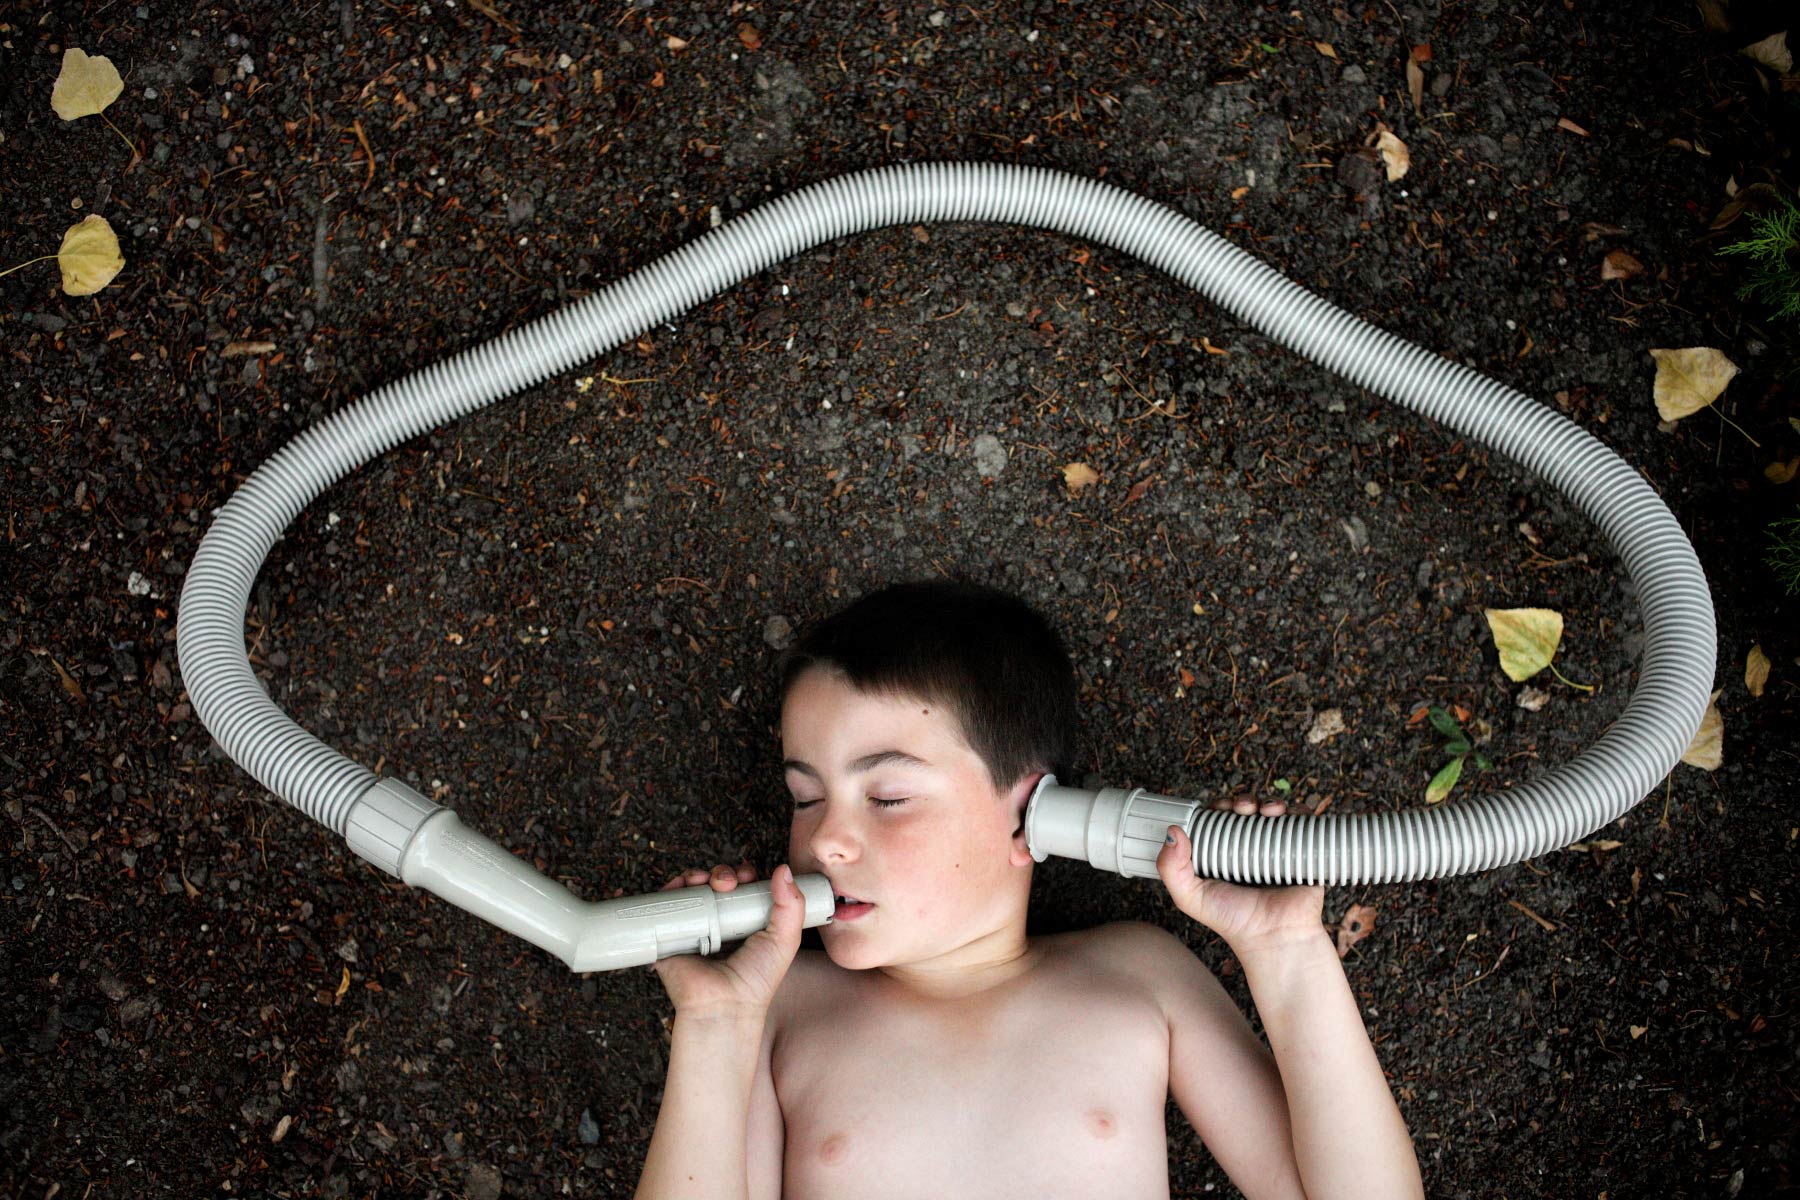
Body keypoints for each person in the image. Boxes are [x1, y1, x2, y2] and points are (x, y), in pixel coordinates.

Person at [634, 577, 1424, 1200]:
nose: (826, 839)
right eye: (805, 798)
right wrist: (713, 1026)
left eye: (889, 797)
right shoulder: (777, 1007)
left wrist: (1287, 952)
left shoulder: (1140, 975)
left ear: (1032, 816)